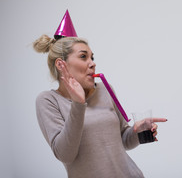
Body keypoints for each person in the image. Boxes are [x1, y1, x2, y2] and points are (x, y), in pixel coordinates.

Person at [33, 11, 167, 178]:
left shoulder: (105, 89)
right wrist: (78, 104)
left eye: (92, 57)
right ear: (61, 65)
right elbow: (65, 155)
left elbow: (123, 140)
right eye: (83, 57)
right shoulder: (48, 101)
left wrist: (135, 131)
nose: (93, 63)